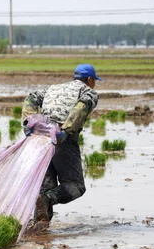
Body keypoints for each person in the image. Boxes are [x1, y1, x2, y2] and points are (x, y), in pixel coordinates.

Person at [21, 64, 101, 231]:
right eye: (94, 81)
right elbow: (81, 108)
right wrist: (65, 131)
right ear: (89, 80)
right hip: (61, 140)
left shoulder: (53, 88)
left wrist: (29, 124)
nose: (94, 84)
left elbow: (30, 98)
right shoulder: (89, 92)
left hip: (40, 139)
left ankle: (40, 229)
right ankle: (48, 200)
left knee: (45, 188)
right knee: (76, 186)